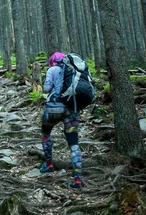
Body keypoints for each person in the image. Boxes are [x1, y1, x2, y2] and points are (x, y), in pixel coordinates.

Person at [39, 52, 84, 189]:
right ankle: (77, 179)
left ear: (52, 61)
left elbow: (46, 88)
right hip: (72, 109)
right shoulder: (74, 70)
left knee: (46, 132)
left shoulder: (52, 70)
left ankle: (49, 164)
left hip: (55, 108)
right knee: (74, 143)